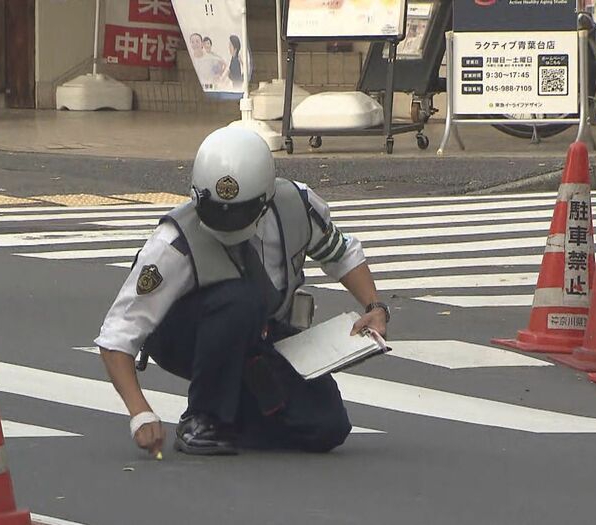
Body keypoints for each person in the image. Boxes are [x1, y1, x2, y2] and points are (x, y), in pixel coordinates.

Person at [96, 127, 390, 456]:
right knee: (240, 300)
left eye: (238, 213)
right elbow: (117, 333)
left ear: (266, 199)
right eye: (216, 211)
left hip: (259, 334)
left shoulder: (296, 206)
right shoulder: (174, 241)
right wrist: (140, 412)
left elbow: (341, 252)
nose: (226, 224)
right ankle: (202, 417)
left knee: (326, 426)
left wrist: (374, 307)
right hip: (187, 337)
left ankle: (234, 411)